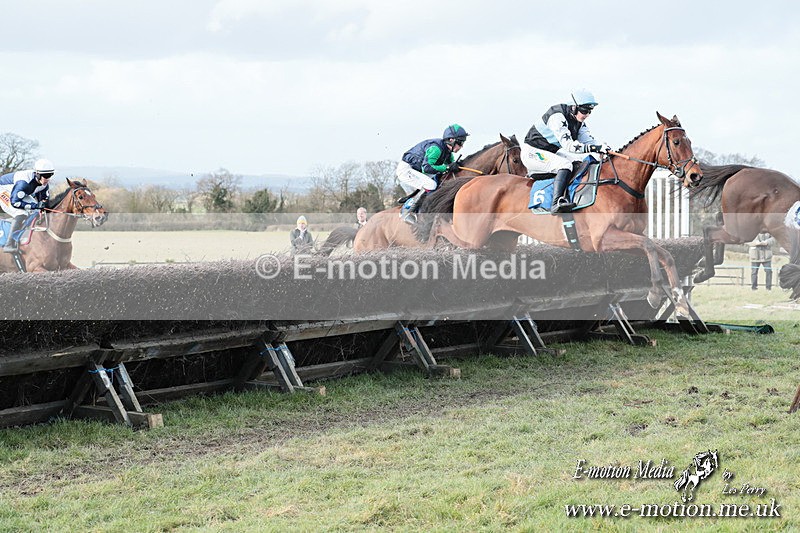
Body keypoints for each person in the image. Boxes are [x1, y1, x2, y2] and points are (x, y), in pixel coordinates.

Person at [523, 89, 609, 214]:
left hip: (550, 153)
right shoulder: (557, 117)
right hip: (532, 152)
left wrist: (604, 149)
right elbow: (569, 145)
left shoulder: (579, 122)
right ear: (573, 107)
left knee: (579, 161)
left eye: (589, 111)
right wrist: (595, 149)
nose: (587, 115)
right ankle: (556, 203)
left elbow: (589, 141)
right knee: (565, 165)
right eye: (584, 111)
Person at [396, 124, 469, 223]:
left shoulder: (448, 152)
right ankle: (406, 212)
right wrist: (447, 167)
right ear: (451, 140)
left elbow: (452, 165)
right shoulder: (436, 149)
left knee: (439, 181)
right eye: (460, 143)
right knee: (431, 185)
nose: (461, 146)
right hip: (406, 169)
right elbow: (426, 168)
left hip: (418, 170)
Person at [0, 158, 54, 252]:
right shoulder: (23, 183)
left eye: (50, 175)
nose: (48, 179)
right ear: (37, 174)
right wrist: (35, 206)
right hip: (4, 190)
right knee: (21, 213)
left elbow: (44, 203)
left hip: (19, 192)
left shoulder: (44, 185)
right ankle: (9, 244)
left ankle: (25, 233)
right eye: (45, 176)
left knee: (36, 210)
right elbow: (15, 202)